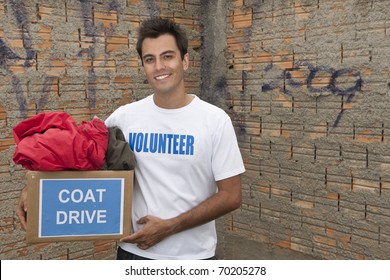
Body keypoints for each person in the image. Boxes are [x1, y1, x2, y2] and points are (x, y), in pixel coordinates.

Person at [17, 17, 245, 260]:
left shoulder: (214, 120)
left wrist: (171, 226)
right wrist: (36, 186)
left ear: (185, 61)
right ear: (143, 66)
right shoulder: (124, 117)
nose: (159, 66)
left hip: (193, 257)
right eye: (150, 59)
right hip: (133, 253)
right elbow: (79, 157)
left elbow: (231, 196)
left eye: (167, 56)